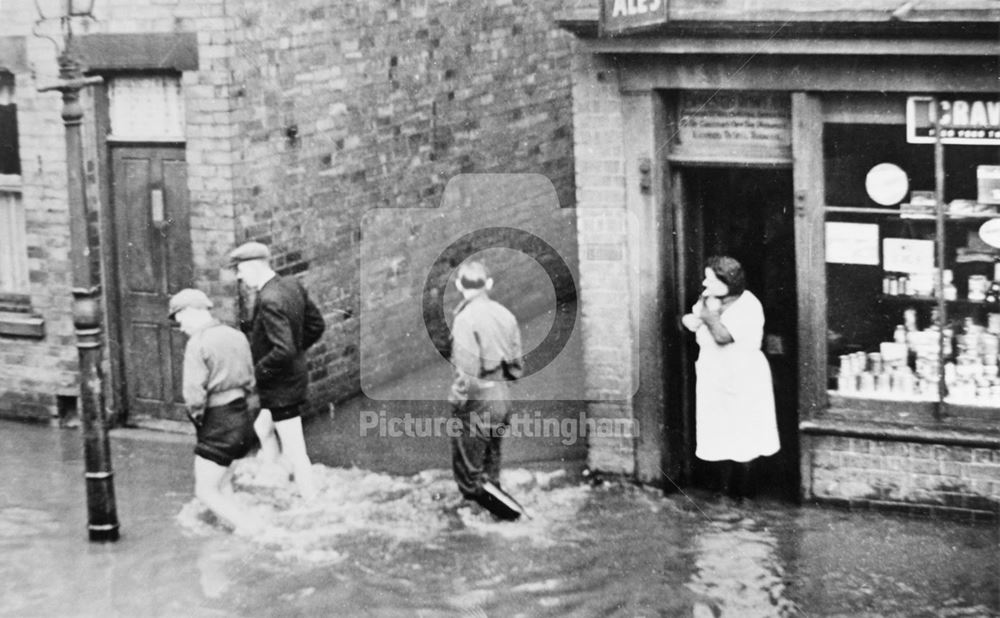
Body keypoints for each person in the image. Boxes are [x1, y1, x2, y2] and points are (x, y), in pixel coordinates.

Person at [228, 241, 326, 501]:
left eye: (240, 269)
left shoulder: (269, 299)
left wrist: (255, 374)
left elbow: (282, 349)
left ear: (252, 265)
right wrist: (295, 352)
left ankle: (311, 501)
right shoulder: (291, 284)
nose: (239, 275)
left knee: (295, 450)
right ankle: (274, 480)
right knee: (263, 428)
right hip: (290, 379)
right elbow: (316, 325)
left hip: (282, 389)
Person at [681, 255, 780, 499]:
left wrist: (708, 316)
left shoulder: (749, 305)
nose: (705, 283)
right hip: (714, 374)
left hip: (742, 375)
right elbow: (692, 318)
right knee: (718, 430)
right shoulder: (708, 299)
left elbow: (723, 337)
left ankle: (744, 494)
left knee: (744, 432)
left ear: (730, 282)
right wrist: (689, 319)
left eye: (711, 279)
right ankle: (723, 491)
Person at [169, 288, 262, 534]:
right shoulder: (236, 335)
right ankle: (232, 531)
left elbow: (194, 396)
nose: (180, 327)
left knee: (205, 490)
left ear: (190, 312)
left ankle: (252, 529)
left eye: (180, 320)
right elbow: (251, 380)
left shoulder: (197, 343)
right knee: (223, 483)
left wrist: (199, 421)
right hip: (243, 417)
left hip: (218, 421)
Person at [447, 260, 526, 519]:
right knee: (490, 469)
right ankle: (492, 518)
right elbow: (516, 368)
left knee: (470, 478)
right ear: (488, 284)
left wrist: (457, 404)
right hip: (501, 396)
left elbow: (466, 373)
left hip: (477, 400)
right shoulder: (506, 315)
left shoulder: (464, 319)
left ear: (459, 285)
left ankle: (515, 517)